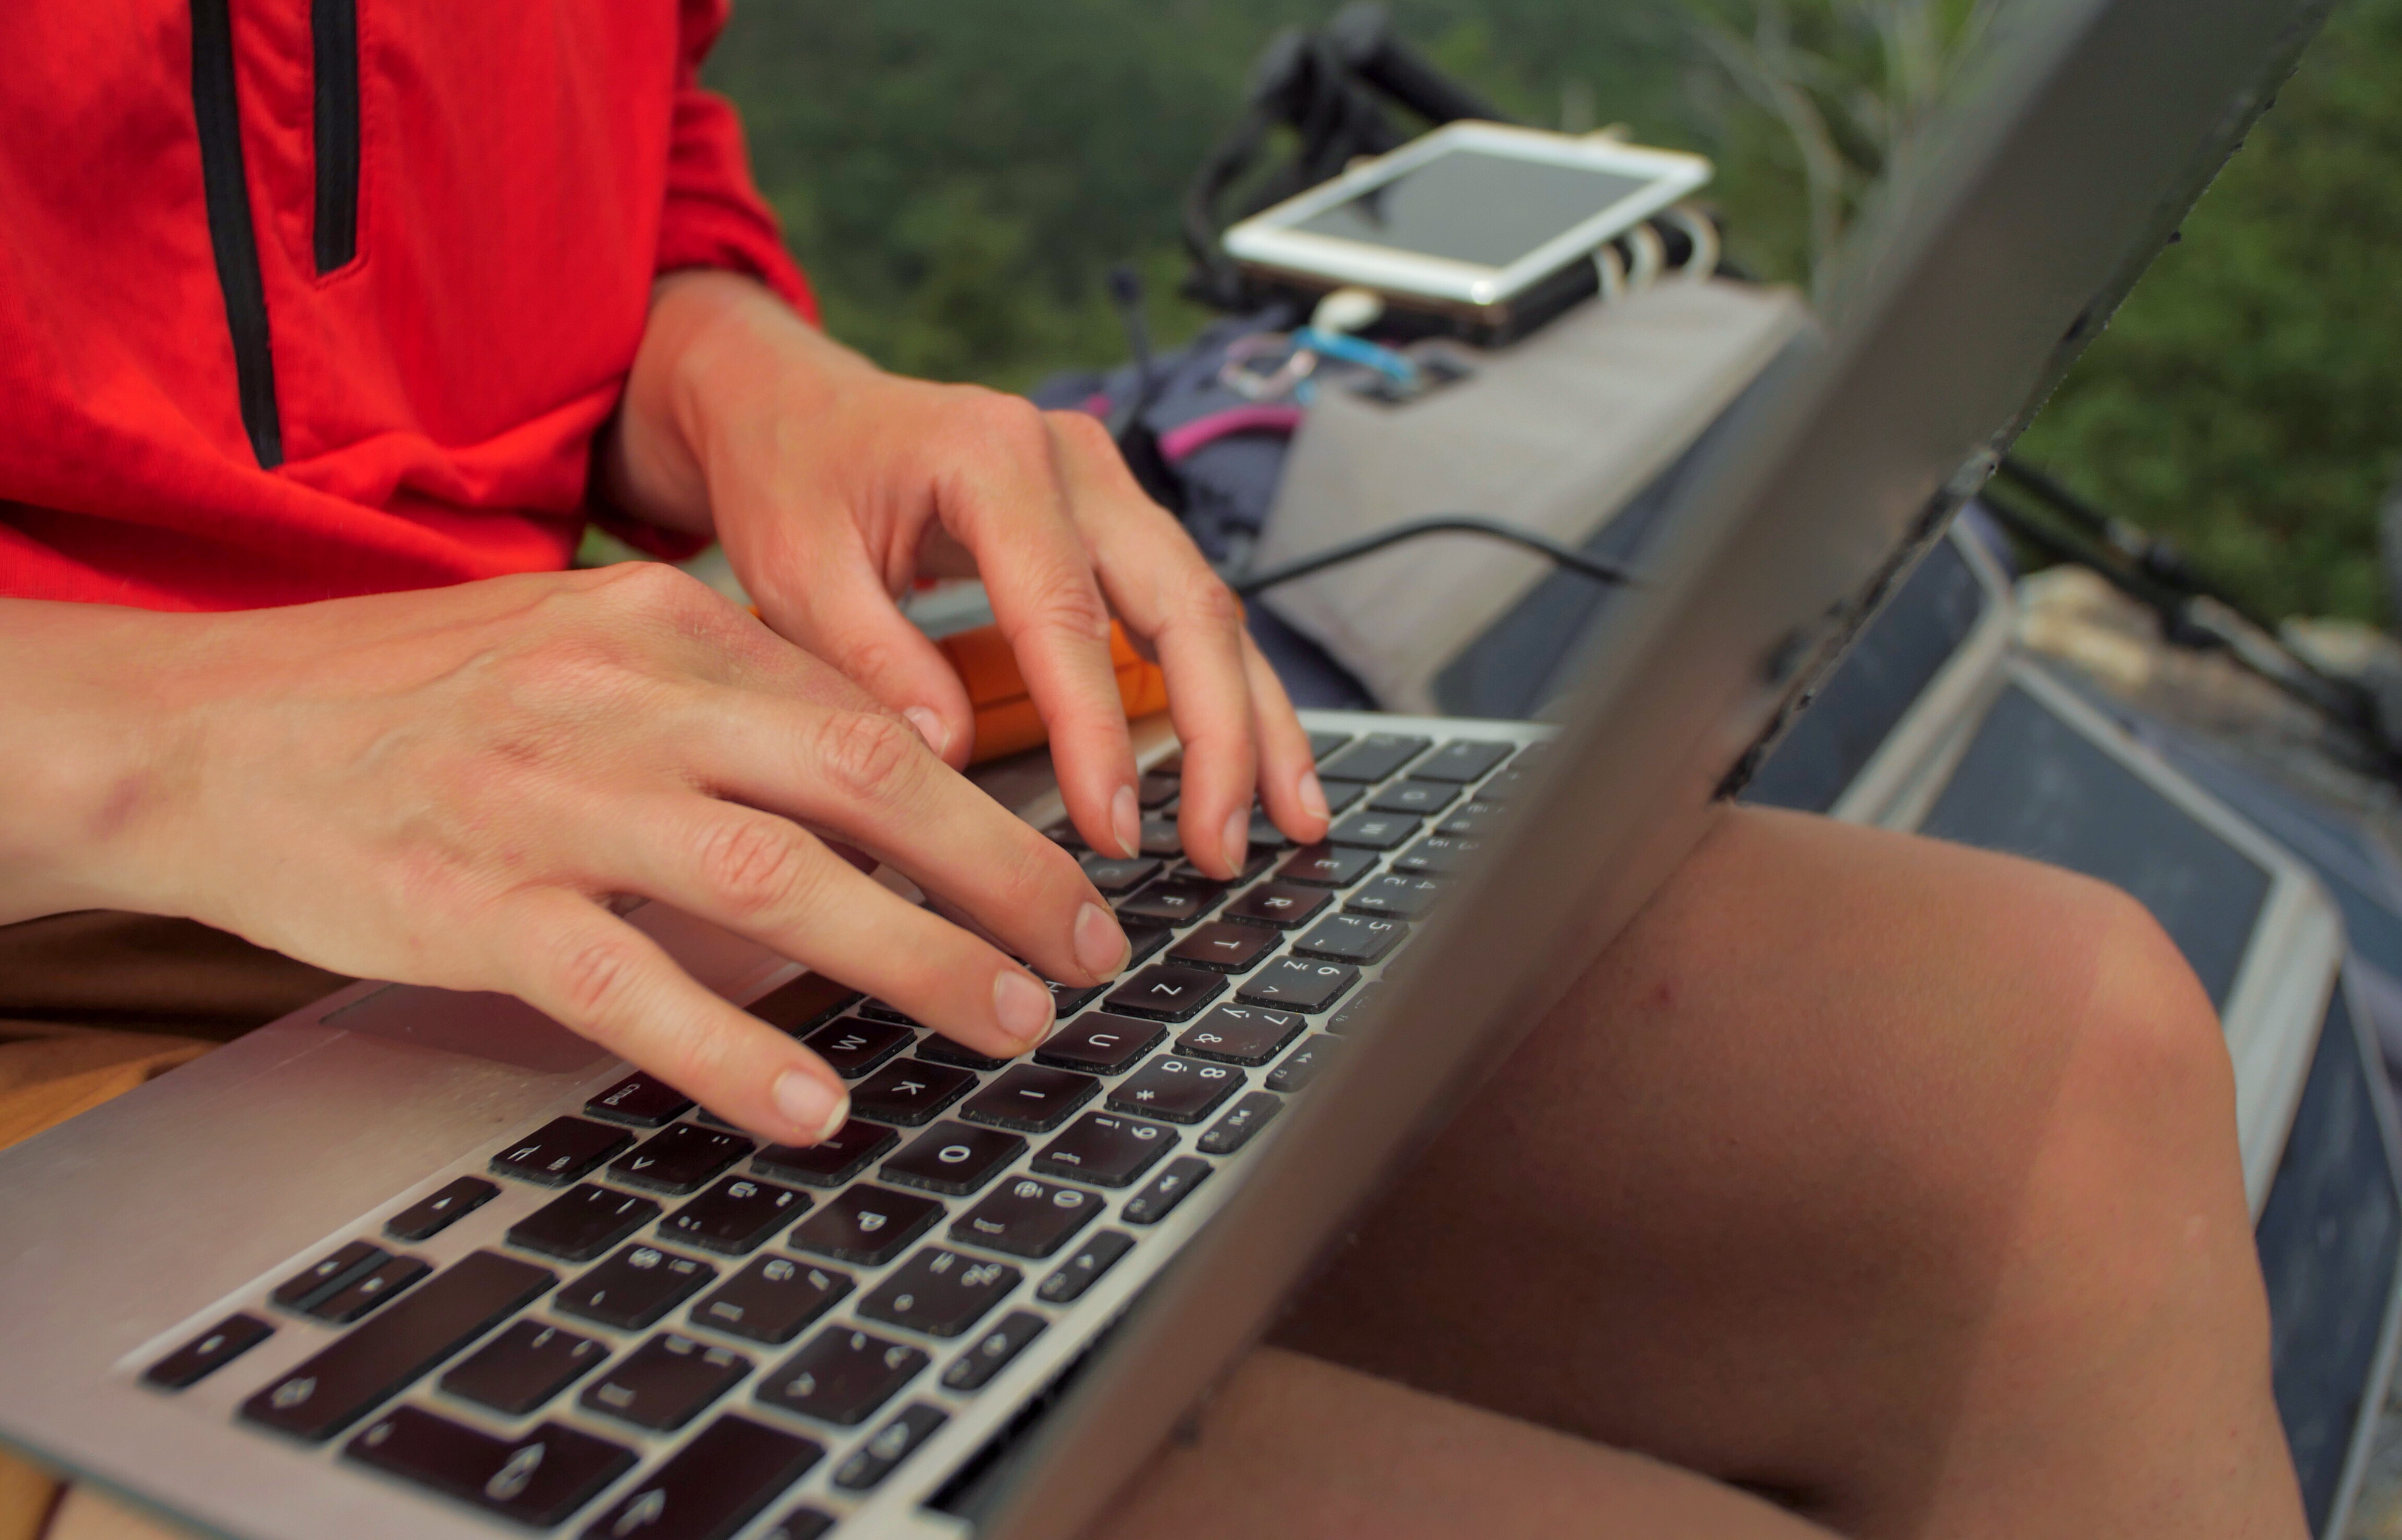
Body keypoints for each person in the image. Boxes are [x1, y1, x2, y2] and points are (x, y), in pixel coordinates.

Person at [0, 4, 2305, 1537]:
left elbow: (592, 155)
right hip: (59, 955)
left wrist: (745, 380)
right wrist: (165, 730)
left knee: (2059, 1062)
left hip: (564, 780)